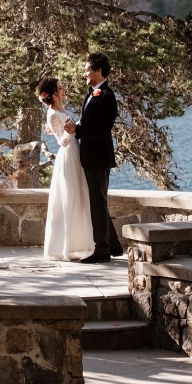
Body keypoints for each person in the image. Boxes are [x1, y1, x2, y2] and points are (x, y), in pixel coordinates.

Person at [67, 52, 123, 263]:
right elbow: (88, 122)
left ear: (98, 71)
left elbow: (103, 129)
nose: (85, 73)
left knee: (97, 203)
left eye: (87, 69)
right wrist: (76, 127)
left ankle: (102, 250)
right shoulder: (92, 93)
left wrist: (79, 131)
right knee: (98, 202)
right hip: (90, 156)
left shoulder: (107, 96)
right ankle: (114, 246)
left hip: (99, 157)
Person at [36, 77, 95, 262]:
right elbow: (61, 141)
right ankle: (64, 247)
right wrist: (71, 132)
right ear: (53, 94)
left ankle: (79, 244)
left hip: (75, 154)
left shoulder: (61, 111)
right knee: (68, 198)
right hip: (68, 156)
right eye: (60, 88)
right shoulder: (53, 113)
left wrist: (74, 128)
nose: (64, 90)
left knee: (78, 197)